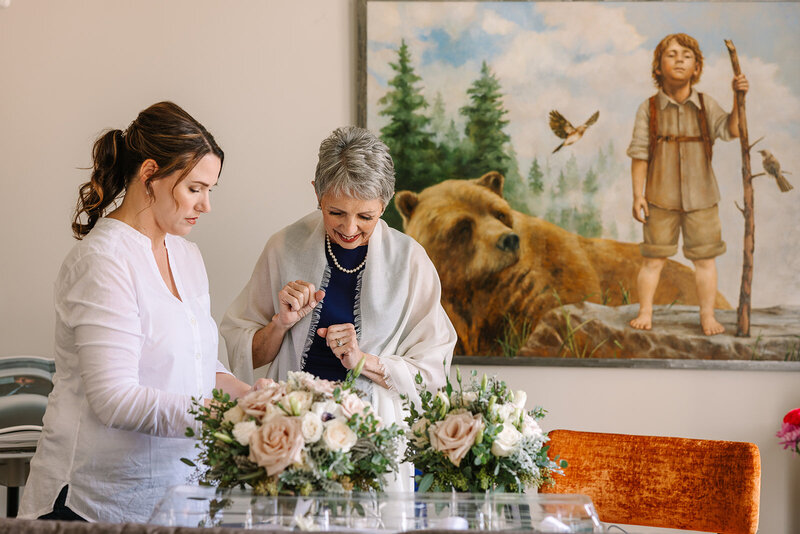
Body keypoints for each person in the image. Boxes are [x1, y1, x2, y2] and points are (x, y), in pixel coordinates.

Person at [19, 102, 256, 523]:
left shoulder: (186, 256)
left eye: (210, 190)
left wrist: (256, 397)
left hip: (177, 497)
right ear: (150, 173)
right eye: (195, 188)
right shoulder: (102, 261)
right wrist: (228, 416)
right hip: (93, 503)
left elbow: (195, 362)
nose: (206, 205)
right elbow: (115, 400)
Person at [220, 126, 457, 491]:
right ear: (316, 192)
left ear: (386, 201)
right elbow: (241, 350)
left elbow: (433, 369)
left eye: (365, 216)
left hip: (374, 438)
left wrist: (364, 360)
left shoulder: (411, 262)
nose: (349, 228)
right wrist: (280, 324)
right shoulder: (284, 248)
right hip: (290, 432)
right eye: (336, 212)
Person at [627, 33, 749, 336]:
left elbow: (732, 130)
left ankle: (707, 316)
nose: (679, 59)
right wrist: (637, 195)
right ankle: (645, 312)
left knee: (705, 261)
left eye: (687, 55)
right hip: (659, 198)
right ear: (657, 67)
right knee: (653, 260)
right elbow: (640, 154)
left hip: (703, 199)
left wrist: (739, 98)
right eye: (671, 54)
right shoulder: (649, 109)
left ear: (697, 67)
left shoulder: (706, 105)